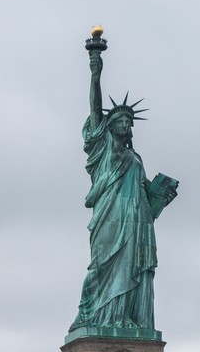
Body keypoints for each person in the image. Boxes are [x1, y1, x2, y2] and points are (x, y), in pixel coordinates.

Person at [69, 48, 178, 334]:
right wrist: (96, 69)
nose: (126, 124)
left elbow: (148, 202)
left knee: (131, 268)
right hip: (110, 213)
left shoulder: (136, 159)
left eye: (129, 122)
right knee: (101, 267)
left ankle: (124, 318)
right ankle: (96, 316)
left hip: (137, 220)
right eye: (120, 120)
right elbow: (95, 108)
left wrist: (161, 197)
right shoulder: (102, 149)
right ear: (109, 125)